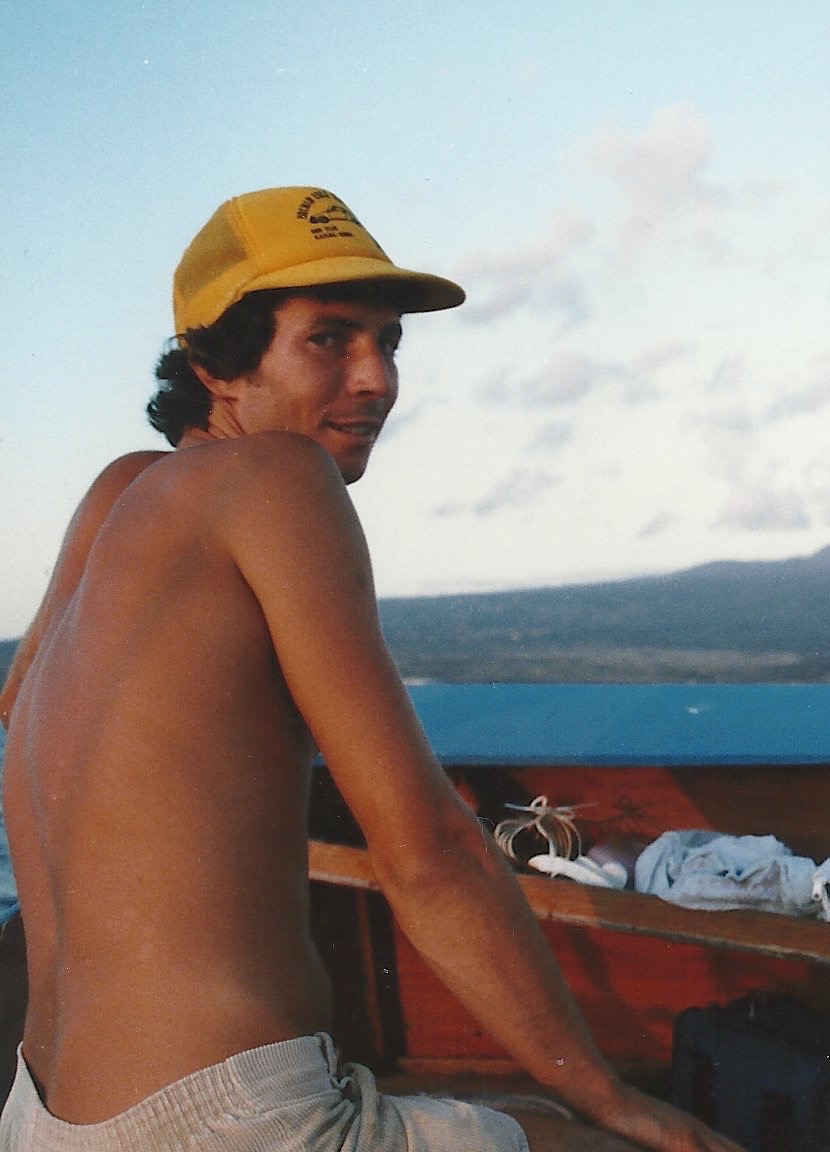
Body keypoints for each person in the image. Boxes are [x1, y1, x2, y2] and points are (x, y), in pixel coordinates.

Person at [0, 186, 743, 1152]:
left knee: (528, 1123)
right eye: (330, 339)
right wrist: (616, 1098)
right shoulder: (278, 476)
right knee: (623, 1139)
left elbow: (21, 708)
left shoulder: (117, 493)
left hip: (40, 1118)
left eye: (389, 343)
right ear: (214, 364)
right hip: (227, 1126)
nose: (377, 379)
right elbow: (425, 853)